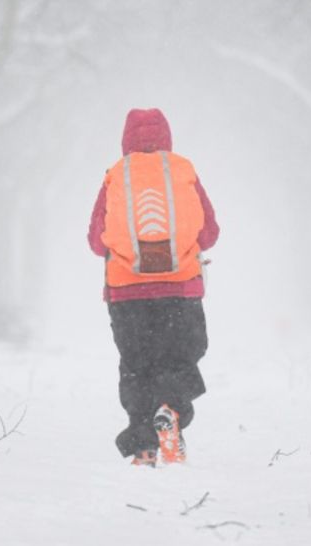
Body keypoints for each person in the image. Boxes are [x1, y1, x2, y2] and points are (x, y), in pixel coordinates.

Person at [87, 108, 219, 466]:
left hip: (128, 294)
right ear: (167, 137)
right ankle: (171, 414)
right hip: (180, 290)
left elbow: (97, 242)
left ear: (125, 140)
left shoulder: (116, 175)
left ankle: (144, 446)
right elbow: (210, 232)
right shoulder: (183, 170)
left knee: (137, 365)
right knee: (180, 358)